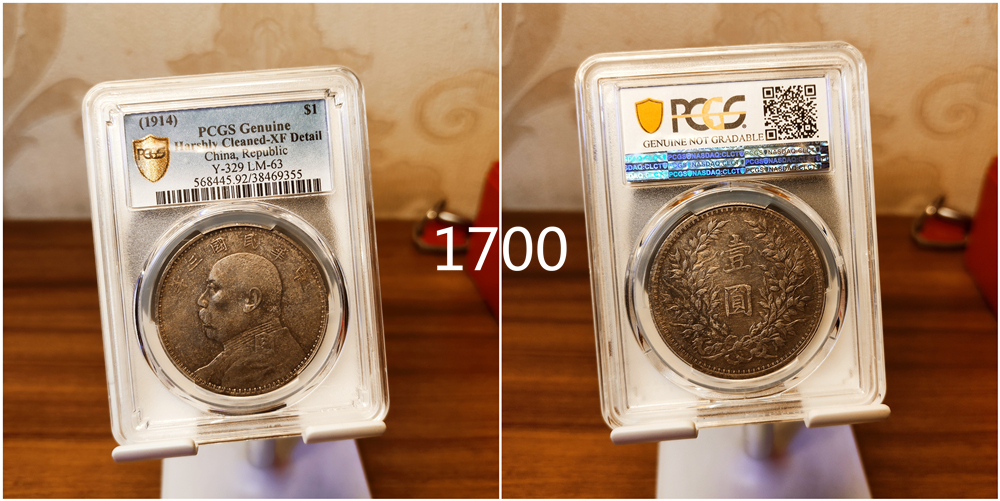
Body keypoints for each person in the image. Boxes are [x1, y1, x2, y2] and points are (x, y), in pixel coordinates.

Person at [193, 252, 305, 390]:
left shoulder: (254, 368)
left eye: (213, 289)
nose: (201, 300)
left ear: (251, 300)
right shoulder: (274, 348)